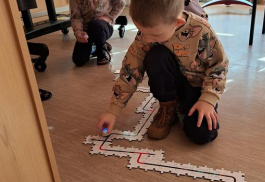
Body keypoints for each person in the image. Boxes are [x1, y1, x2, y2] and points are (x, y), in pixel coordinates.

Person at [97, 0, 229, 144]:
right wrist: (113, 110)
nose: (146, 39)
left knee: (203, 135)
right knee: (155, 55)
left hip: (198, 88)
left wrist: (208, 100)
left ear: (177, 23)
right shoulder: (148, 33)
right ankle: (168, 106)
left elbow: (218, 66)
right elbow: (130, 70)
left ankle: (187, 104)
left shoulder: (201, 30)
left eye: (154, 35)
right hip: (170, 84)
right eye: (142, 32)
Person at [70, 0, 126, 66]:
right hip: (86, 29)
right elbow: (76, 17)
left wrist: (109, 18)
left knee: (96, 24)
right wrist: (78, 32)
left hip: (102, 25)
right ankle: (96, 46)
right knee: (78, 60)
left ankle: (101, 48)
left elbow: (121, 3)